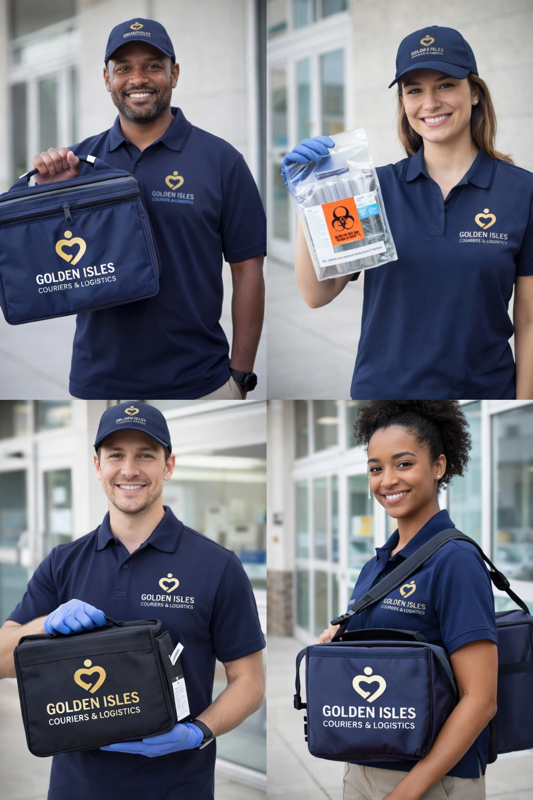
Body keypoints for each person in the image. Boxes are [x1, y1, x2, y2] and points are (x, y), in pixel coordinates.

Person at [0, 402, 265, 800]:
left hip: (177, 787)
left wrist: (198, 731)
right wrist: (44, 625)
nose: (129, 469)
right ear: (97, 465)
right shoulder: (62, 563)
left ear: (168, 465)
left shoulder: (217, 566)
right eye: (116, 455)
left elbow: (250, 681)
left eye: (145, 454)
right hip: (76, 788)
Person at [283, 26, 533, 399]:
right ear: (403, 102)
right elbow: (318, 293)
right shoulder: (374, 188)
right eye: (414, 90)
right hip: (386, 394)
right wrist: (310, 200)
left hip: (481, 391)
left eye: (445, 84)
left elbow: (528, 322)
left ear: (475, 93)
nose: (429, 103)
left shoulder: (521, 191)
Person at [32, 18, 266, 400]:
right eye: (123, 68)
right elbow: (49, 267)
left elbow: (247, 271)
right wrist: (48, 200)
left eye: (152, 66)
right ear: (107, 79)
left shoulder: (222, 161)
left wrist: (240, 374)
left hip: (198, 379)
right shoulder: (78, 164)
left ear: (174, 74)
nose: (137, 78)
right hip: (100, 380)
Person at [316, 400, 498, 800]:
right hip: (362, 768)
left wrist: (408, 790)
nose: (387, 480)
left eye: (403, 464)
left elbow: (481, 700)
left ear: (439, 466)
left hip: (434, 779)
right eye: (376, 468)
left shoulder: (455, 560)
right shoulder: (376, 564)